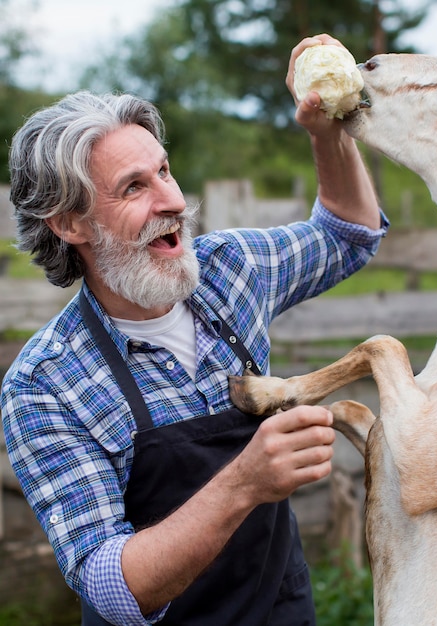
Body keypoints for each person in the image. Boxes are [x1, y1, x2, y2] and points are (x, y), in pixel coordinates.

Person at [0, 34, 387, 626]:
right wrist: (244, 483)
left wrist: (325, 130)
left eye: (166, 171)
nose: (173, 200)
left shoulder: (228, 274)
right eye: (135, 187)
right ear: (70, 222)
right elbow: (112, 587)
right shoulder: (45, 385)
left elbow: (347, 236)